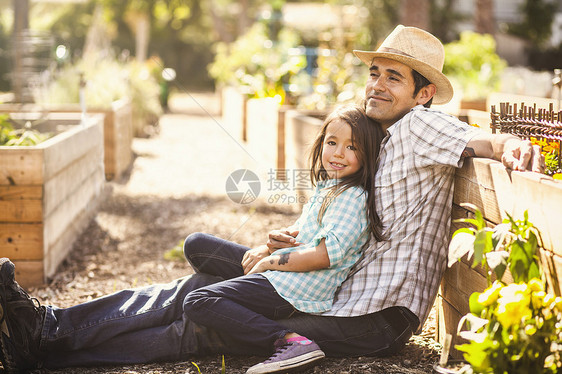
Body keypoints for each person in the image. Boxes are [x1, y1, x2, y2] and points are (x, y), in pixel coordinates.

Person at [0, 25, 544, 373]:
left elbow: (478, 139)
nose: (377, 84)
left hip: (373, 314)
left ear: (422, 93)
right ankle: (47, 332)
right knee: (194, 284)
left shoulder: (420, 126)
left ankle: (46, 342)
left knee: (205, 320)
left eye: (394, 78)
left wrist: (514, 143)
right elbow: (349, 222)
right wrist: (302, 239)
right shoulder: (375, 135)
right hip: (338, 285)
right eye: (374, 73)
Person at [182, 104, 385, 374]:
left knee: (197, 301)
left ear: (368, 154)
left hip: (295, 289)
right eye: (332, 142)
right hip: (284, 276)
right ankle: (236, 303)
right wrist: (272, 244)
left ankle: (291, 342)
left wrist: (271, 261)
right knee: (197, 245)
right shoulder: (329, 188)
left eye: (352, 147)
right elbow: (304, 235)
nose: (338, 153)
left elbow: (322, 255)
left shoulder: (353, 197)